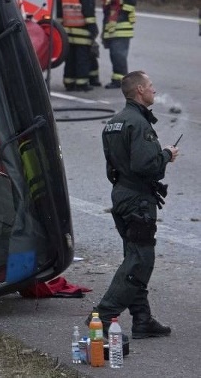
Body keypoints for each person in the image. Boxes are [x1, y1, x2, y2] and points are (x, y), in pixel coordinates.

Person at [92, 70, 178, 339]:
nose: (154, 90)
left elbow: (112, 168)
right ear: (140, 90)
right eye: (151, 86)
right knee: (140, 261)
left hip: (121, 195)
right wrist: (166, 155)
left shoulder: (114, 122)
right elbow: (145, 165)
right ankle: (102, 317)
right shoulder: (138, 124)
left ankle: (142, 320)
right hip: (138, 200)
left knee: (134, 258)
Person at [57, 0, 98, 91]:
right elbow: (88, 12)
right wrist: (93, 29)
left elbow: (60, 12)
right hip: (82, 30)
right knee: (82, 58)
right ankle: (82, 84)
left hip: (67, 31)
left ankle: (69, 82)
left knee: (69, 58)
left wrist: (60, 29)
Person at [102, 0, 137, 89]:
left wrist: (118, 15)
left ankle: (120, 81)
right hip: (113, 27)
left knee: (119, 55)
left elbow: (130, 3)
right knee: (114, 55)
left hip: (121, 28)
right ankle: (117, 79)